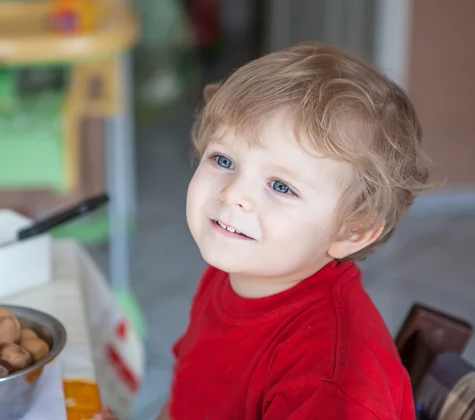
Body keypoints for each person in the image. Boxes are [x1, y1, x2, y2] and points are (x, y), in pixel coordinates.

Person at [97, 41, 430, 419]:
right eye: (223, 159)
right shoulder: (234, 275)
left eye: (281, 186)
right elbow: (187, 398)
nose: (234, 192)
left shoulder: (331, 383)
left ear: (353, 232)